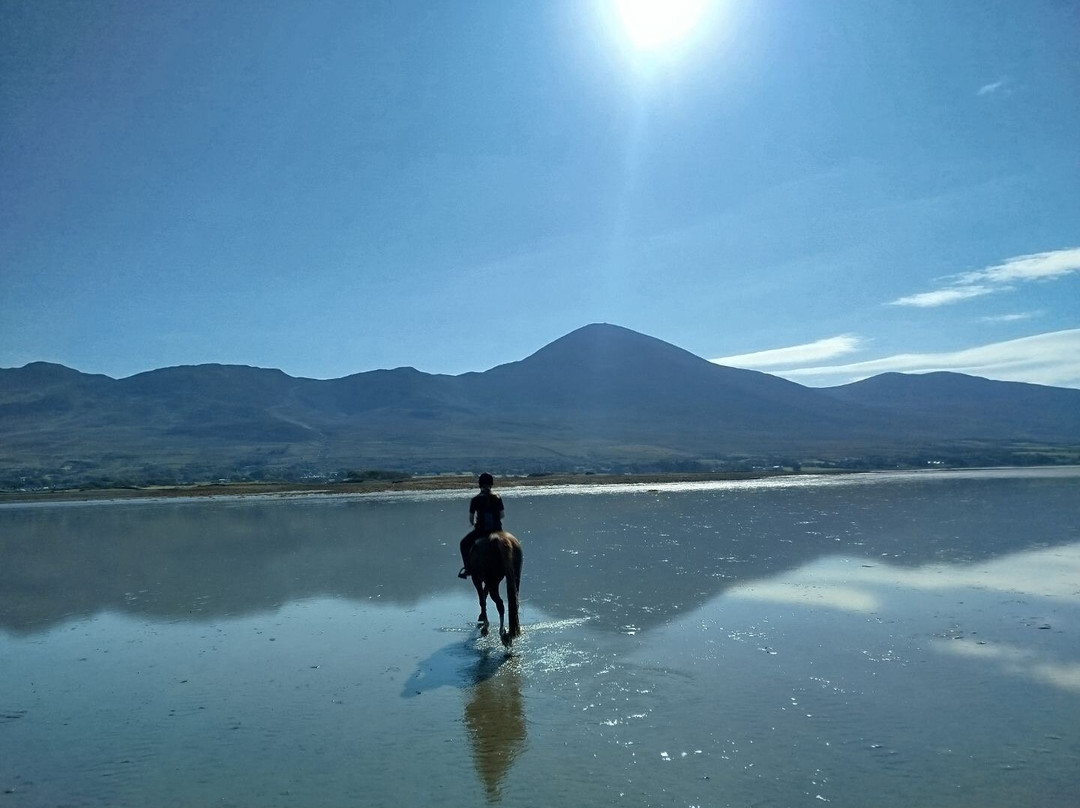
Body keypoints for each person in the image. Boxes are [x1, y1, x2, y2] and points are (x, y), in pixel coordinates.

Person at [458, 472, 504, 579]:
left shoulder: (475, 499)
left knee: (463, 544)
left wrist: (473, 523)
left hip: (481, 531)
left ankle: (468, 569)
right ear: (491, 484)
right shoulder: (497, 497)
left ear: (480, 484)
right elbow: (502, 515)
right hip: (498, 530)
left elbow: (471, 519)